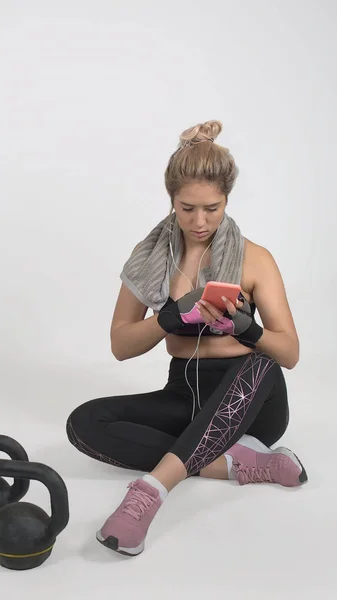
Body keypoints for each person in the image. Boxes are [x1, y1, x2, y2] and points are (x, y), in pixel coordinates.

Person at [66, 120, 307, 557]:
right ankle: (240, 465)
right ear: (171, 201)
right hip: (187, 392)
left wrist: (246, 328)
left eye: (212, 208)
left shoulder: (255, 259)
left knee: (263, 360)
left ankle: (151, 491)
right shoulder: (151, 258)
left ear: (227, 200)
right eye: (187, 208)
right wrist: (169, 319)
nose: (200, 221)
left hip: (253, 402)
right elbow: (121, 345)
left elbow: (289, 352)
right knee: (84, 423)